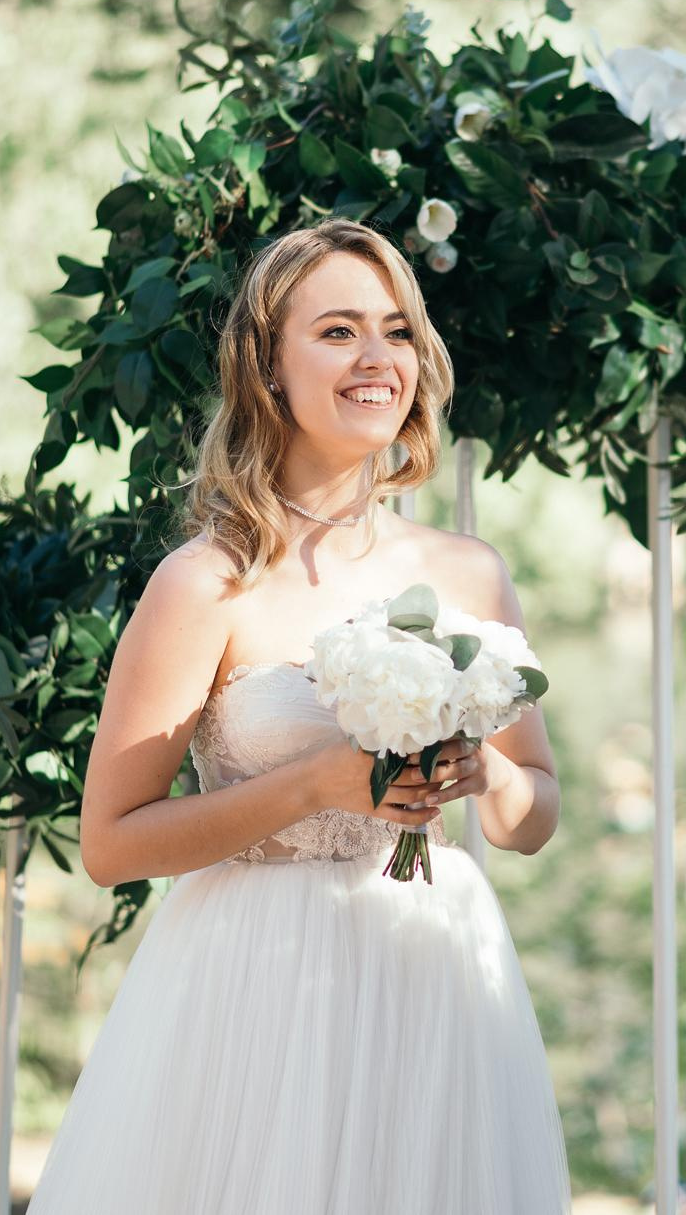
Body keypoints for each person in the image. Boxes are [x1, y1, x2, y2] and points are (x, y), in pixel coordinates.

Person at [28, 220, 571, 1214]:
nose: (378, 359)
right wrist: (313, 785)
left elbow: (532, 812)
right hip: (252, 989)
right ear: (268, 366)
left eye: (397, 330)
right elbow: (109, 842)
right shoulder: (204, 582)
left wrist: (484, 774)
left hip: (434, 970)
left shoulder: (466, 570)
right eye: (338, 331)